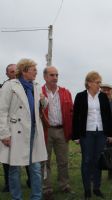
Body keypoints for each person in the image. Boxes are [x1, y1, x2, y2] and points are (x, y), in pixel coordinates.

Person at [0, 58, 48, 200]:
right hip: (16, 132)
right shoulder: (10, 86)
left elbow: (41, 107)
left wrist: (43, 101)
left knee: (36, 168)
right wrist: (4, 134)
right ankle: (17, 198)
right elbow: (2, 111)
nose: (36, 72)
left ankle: (37, 197)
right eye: (34, 69)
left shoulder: (37, 86)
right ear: (25, 70)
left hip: (34, 131)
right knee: (14, 169)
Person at [72, 71, 112, 200]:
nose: (99, 85)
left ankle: (96, 188)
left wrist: (110, 134)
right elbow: (76, 117)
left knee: (98, 160)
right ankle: (87, 190)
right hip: (87, 133)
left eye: (100, 82)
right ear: (89, 83)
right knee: (87, 160)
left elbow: (108, 117)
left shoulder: (103, 97)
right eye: (97, 82)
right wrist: (76, 136)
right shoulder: (80, 96)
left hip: (101, 132)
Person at [41, 66, 74, 200]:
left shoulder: (65, 92)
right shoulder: (39, 91)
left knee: (63, 160)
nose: (55, 78)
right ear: (45, 77)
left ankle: (64, 185)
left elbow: (71, 112)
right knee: (45, 161)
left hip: (61, 130)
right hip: (45, 131)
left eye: (56, 75)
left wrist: (71, 132)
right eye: (52, 75)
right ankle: (46, 188)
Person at [0, 63, 31, 192]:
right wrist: (4, 132)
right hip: (8, 127)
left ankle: (30, 181)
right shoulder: (3, 88)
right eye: (11, 72)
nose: (14, 74)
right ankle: (9, 184)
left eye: (15, 71)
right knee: (8, 160)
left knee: (28, 158)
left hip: (24, 128)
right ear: (7, 74)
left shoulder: (25, 86)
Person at [100, 83, 112, 180]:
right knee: (99, 154)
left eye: (108, 90)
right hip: (101, 133)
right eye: (104, 90)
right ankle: (96, 175)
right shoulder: (97, 103)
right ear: (100, 91)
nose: (106, 92)